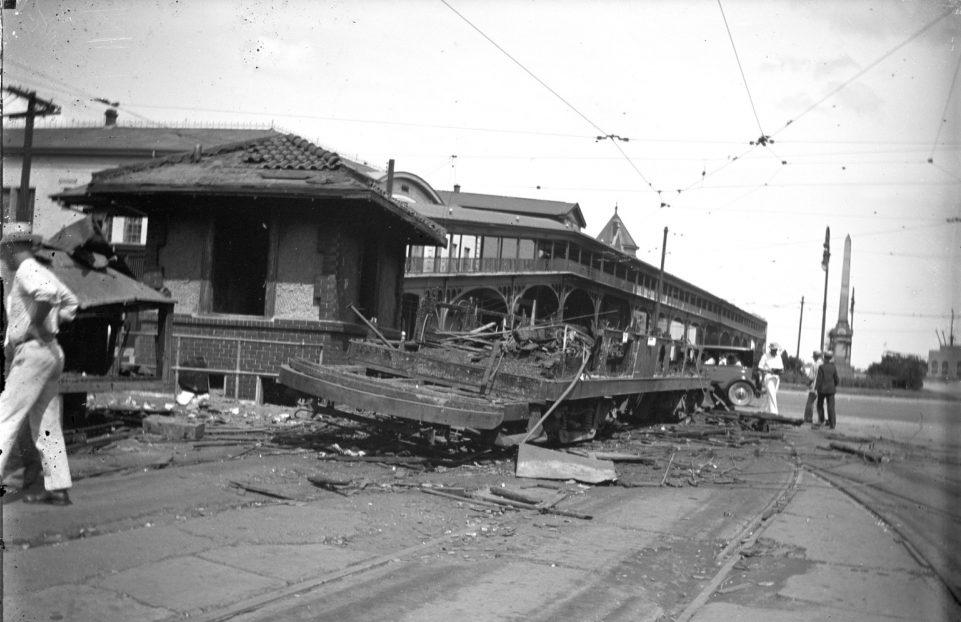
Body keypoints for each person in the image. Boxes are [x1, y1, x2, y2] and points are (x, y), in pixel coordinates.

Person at [0, 226, 79, 505]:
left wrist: (35, 327)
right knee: (46, 422)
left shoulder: (26, 270)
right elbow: (71, 303)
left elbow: (46, 295)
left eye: (3, 250)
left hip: (32, 353)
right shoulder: (43, 271)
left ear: (12, 248)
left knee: (5, 415)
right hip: (51, 353)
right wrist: (51, 325)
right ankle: (57, 487)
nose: (2, 257)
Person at [816, 350, 840, 429]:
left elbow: (819, 379)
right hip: (831, 389)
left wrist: (817, 388)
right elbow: (836, 379)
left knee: (820, 405)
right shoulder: (833, 367)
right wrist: (834, 385)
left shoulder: (821, 367)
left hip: (822, 389)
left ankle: (821, 420)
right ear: (831, 358)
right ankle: (832, 424)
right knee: (831, 407)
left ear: (824, 358)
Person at [758, 341, 784, 414]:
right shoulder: (765, 356)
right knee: (772, 394)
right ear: (770, 349)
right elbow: (760, 368)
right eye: (773, 350)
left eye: (775, 350)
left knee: (772, 394)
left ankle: (763, 410)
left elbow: (782, 368)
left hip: (776, 377)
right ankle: (774, 413)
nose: (774, 351)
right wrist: (769, 370)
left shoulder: (779, 357)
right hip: (768, 377)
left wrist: (780, 371)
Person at [802, 350, 823, 424]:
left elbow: (811, 378)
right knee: (821, 404)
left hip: (814, 387)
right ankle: (822, 419)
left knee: (810, 403)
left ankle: (808, 418)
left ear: (815, 357)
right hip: (822, 388)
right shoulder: (823, 364)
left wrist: (807, 384)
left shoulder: (814, 365)